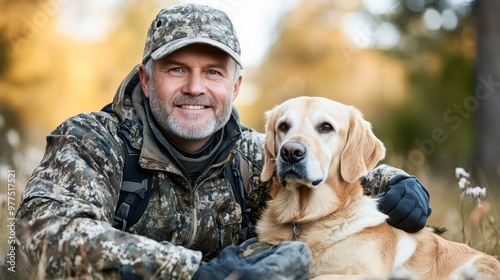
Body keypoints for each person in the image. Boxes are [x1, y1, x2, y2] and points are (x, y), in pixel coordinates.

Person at [15, 3, 431, 279]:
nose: (195, 87)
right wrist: (198, 273)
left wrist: (396, 183)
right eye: (176, 69)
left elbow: (328, 165)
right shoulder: (92, 141)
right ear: (146, 78)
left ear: (235, 87)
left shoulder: (252, 155)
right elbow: (38, 236)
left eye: (213, 72)